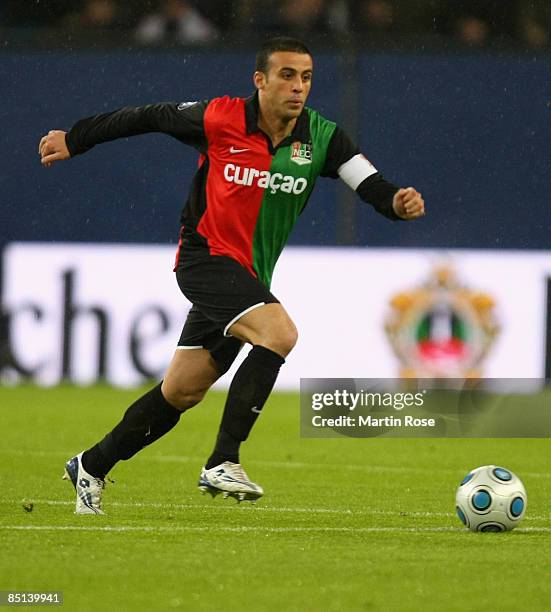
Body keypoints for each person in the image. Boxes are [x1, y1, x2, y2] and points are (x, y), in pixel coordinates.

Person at [38, 37, 425, 514]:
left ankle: (91, 465)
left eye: (306, 77)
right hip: (204, 258)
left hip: (248, 274)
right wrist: (76, 139)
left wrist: (396, 204)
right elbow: (148, 116)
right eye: (286, 75)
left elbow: (369, 184)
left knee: (181, 391)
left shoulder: (322, 137)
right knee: (279, 333)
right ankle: (223, 460)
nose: (298, 87)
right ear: (259, 80)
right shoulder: (219, 118)